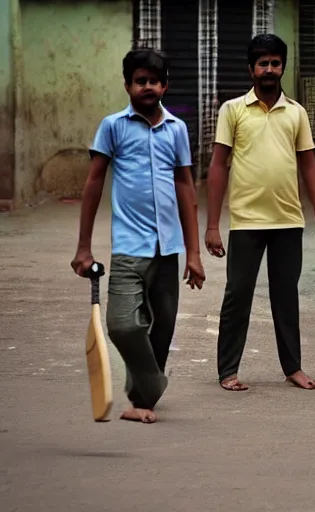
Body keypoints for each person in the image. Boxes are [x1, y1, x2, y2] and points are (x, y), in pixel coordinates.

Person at [71, 49, 205, 422]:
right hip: (130, 245)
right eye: (140, 80)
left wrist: (193, 253)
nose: (147, 86)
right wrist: (83, 246)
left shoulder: (176, 129)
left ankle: (143, 402)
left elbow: (186, 189)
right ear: (127, 85)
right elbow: (94, 182)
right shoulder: (113, 126)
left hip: (169, 247)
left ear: (165, 85)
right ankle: (153, 383)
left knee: (162, 328)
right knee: (123, 324)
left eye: (154, 80)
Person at [205, 34, 315, 392]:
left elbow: (309, 166)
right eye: (262, 63)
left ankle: (292, 367)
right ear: (251, 69)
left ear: (283, 67)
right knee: (237, 294)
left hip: (288, 221)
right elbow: (218, 166)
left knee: (286, 295)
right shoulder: (233, 110)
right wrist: (212, 225)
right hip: (246, 221)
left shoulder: (295, 112)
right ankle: (227, 370)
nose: (269, 69)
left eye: (275, 63)